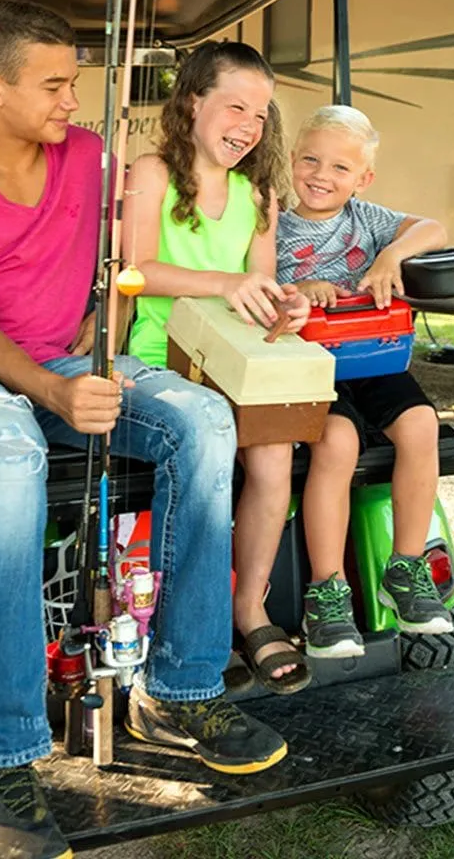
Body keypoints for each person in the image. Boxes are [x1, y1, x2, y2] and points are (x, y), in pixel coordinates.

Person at [0, 2, 287, 859]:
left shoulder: (91, 159)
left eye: (77, 79)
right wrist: (62, 396)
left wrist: (100, 340)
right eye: (55, 84)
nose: (76, 99)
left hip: (63, 360)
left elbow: (120, 269)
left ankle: (179, 686)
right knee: (9, 445)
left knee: (204, 419)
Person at [122, 41, 319, 695]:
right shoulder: (151, 172)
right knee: (206, 445)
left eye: (261, 115)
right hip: (162, 358)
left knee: (274, 457)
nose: (248, 126)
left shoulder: (259, 192)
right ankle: (176, 623)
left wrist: (281, 308)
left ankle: (249, 607)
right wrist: (225, 282)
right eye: (235, 106)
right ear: (192, 102)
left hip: (234, 361)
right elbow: (138, 271)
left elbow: (257, 288)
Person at [278, 103, 454, 639]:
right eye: (311, 160)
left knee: (422, 424)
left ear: (363, 178)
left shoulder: (368, 220)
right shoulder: (273, 225)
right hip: (310, 365)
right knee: (338, 441)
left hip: (371, 356)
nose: (321, 176)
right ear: (292, 160)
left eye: (339, 168)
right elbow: (256, 281)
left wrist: (390, 257)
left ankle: (405, 567)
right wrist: (298, 290)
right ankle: (327, 590)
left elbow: (435, 227)